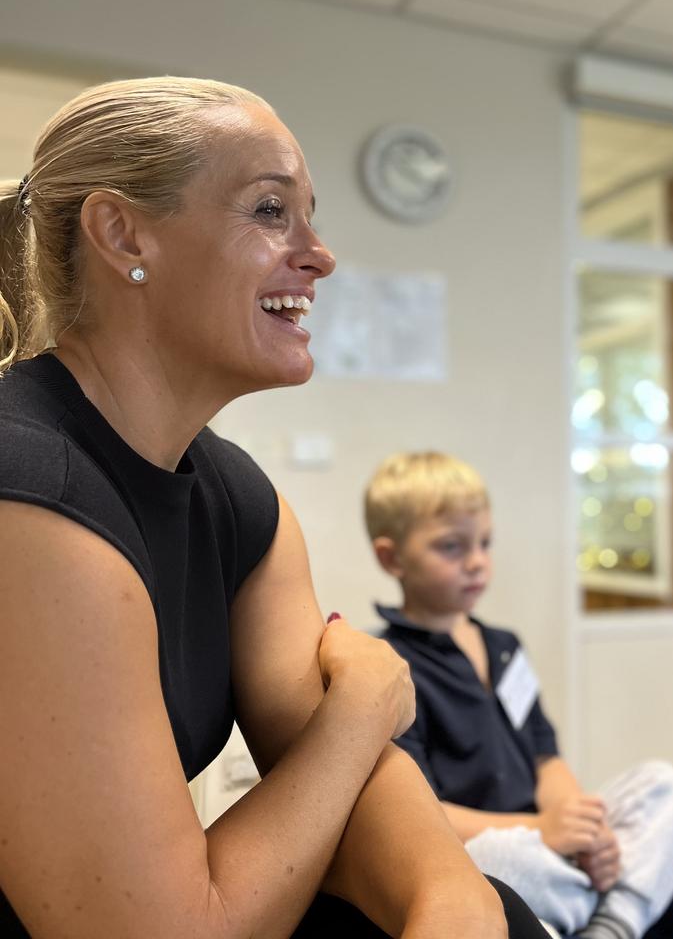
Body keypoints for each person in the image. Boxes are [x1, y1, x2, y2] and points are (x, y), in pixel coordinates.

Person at [0, 77, 550, 939]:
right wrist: (364, 705)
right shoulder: (32, 497)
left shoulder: (241, 502)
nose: (320, 256)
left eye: (309, 217)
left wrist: (457, 901)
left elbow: (357, 799)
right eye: (269, 211)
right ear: (123, 233)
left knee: (498, 911)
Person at [364, 452, 673, 939]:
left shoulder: (505, 647)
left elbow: (546, 759)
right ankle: (642, 892)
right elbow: (420, 818)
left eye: (485, 543)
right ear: (392, 559)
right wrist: (542, 832)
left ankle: (606, 919)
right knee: (498, 862)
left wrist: (585, 832)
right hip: (483, 850)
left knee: (662, 786)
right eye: (451, 547)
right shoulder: (389, 667)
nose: (476, 562)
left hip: (548, 841)